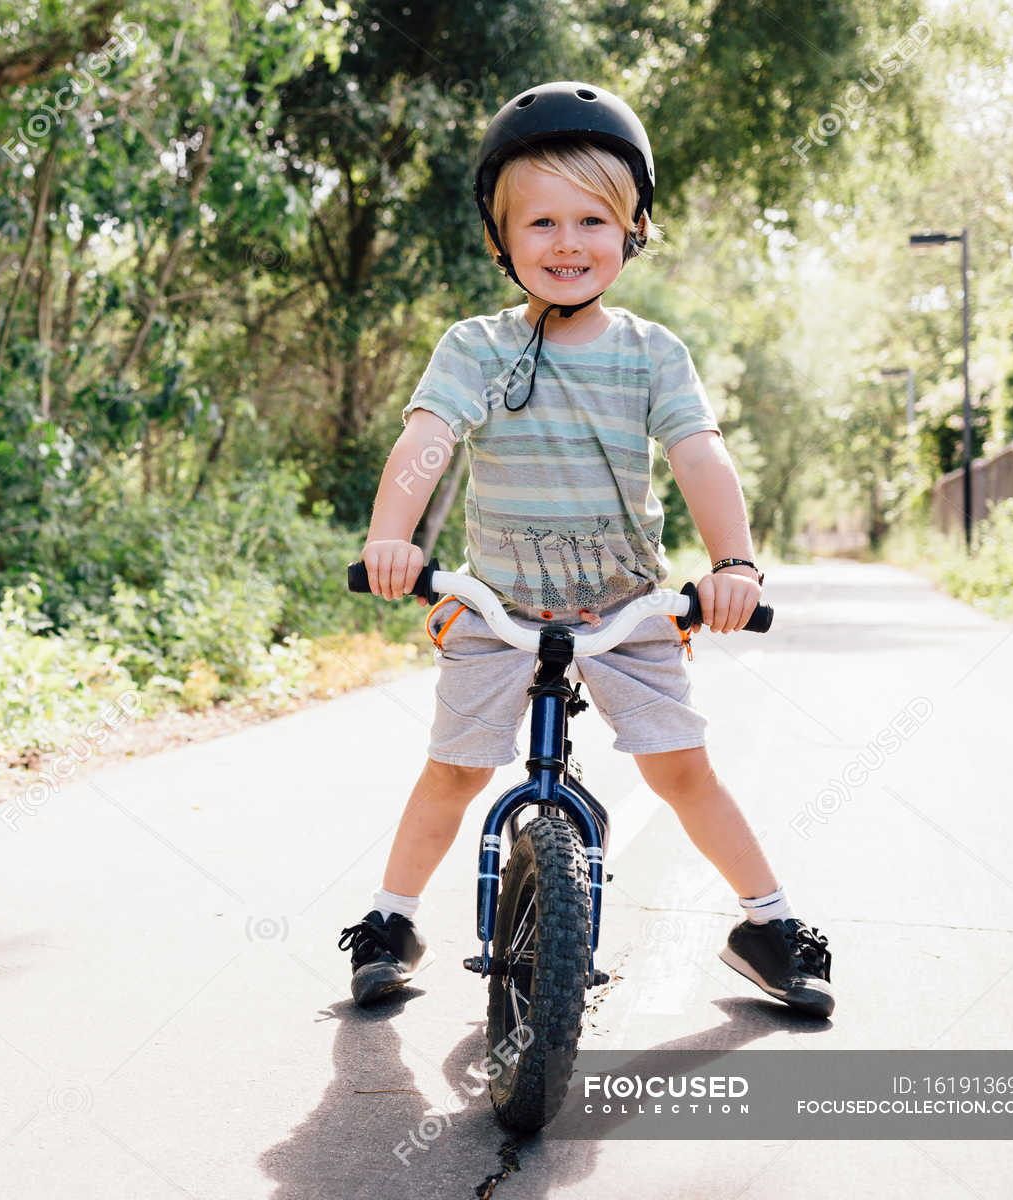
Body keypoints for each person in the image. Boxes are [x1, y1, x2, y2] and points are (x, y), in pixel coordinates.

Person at [337, 81, 834, 1018]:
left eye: (594, 221)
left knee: (682, 768)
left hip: (626, 605)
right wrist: (390, 541)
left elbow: (699, 455)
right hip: (498, 606)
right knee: (454, 770)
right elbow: (428, 442)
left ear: (633, 229)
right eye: (542, 224)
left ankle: (768, 925)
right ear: (502, 238)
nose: (568, 243)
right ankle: (389, 921)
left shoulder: (652, 354)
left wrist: (733, 565)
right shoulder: (476, 349)